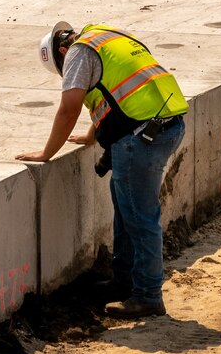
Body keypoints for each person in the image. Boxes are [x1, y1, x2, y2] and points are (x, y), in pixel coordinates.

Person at [19, 21, 188, 318]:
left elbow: (69, 107)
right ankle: (124, 281)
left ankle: (148, 295)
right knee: (126, 204)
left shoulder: (77, 53)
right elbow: (117, 95)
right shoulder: (106, 36)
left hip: (142, 136)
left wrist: (47, 153)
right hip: (167, 125)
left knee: (140, 216)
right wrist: (91, 134)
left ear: (61, 51)